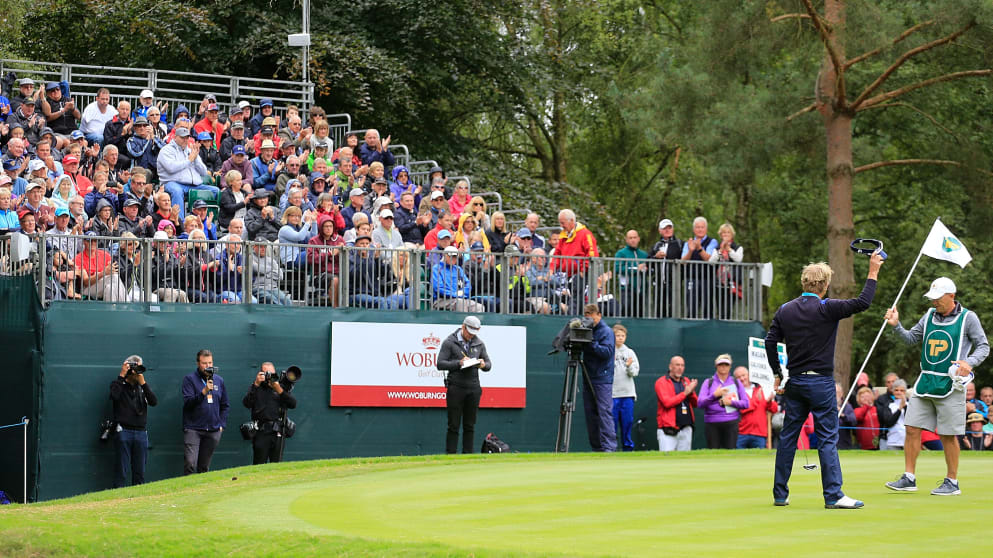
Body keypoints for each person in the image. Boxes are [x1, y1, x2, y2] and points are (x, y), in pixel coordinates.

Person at [766, 252, 883, 508]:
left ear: (804, 283)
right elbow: (863, 302)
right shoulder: (827, 307)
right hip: (820, 383)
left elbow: (770, 341)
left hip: (795, 382)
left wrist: (778, 373)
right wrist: (873, 270)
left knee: (788, 438)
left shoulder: (786, 310)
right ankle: (833, 495)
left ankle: (780, 494)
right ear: (825, 285)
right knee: (828, 438)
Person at [884, 276, 989, 495]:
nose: (934, 302)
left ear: (951, 296)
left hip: (951, 384)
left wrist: (969, 362)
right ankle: (909, 477)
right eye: (932, 298)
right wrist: (896, 326)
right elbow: (912, 338)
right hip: (926, 382)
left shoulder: (969, 318)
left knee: (948, 435)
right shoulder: (930, 315)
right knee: (912, 429)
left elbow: (983, 346)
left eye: (938, 298)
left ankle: (952, 482)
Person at [437, 316, 492, 454]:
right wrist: (459, 363)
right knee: (453, 425)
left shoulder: (479, 343)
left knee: (470, 425)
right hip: (456, 387)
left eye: (474, 333)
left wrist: (483, 365)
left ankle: (468, 455)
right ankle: (451, 455)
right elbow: (440, 364)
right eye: (469, 332)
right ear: (463, 327)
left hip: (474, 388)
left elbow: (488, 364)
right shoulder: (449, 342)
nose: (471, 336)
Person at [109, 355, 157, 487]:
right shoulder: (118, 384)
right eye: (134, 367)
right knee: (121, 469)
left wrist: (143, 383)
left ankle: (138, 499)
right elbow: (114, 396)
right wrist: (122, 375)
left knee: (139, 471)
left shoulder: (142, 387)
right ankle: (117, 498)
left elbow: (153, 401)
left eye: (139, 367)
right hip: (124, 431)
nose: (136, 371)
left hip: (141, 432)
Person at [181, 349, 229, 475]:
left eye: (210, 363)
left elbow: (225, 405)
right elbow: (188, 403)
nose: (208, 366)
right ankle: (188, 491)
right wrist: (204, 391)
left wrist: (221, 425)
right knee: (190, 463)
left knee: (204, 467)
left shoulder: (219, 380)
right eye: (204, 363)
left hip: (213, 430)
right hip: (193, 429)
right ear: (198, 363)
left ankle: (201, 492)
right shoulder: (189, 379)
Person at [243, 362, 298, 464]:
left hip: (278, 432)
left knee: (276, 465)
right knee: (259, 465)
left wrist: (279, 390)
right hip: (261, 432)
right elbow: (247, 403)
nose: (269, 377)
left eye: (271, 374)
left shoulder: (280, 387)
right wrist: (256, 384)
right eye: (266, 373)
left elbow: (293, 404)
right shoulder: (256, 388)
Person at [581, 304, 616, 452]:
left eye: (590, 314)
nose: (588, 316)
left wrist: (590, 343)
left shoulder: (606, 331)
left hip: (602, 378)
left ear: (598, 315)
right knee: (591, 414)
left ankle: (609, 447)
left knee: (604, 413)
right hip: (589, 376)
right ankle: (597, 447)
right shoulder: (587, 330)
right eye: (586, 314)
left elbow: (607, 352)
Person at [697, 354, 750, 449]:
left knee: (730, 453)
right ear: (716, 366)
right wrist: (714, 395)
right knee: (713, 453)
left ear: (730, 367)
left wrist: (731, 403)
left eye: (726, 365)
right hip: (712, 423)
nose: (723, 367)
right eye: (721, 364)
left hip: (731, 422)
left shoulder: (736, 382)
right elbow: (700, 403)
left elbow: (746, 403)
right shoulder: (708, 382)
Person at [655, 355, 698, 451]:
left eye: (682, 365)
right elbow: (667, 403)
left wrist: (691, 392)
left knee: (684, 461)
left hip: (686, 427)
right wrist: (685, 393)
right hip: (668, 429)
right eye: (677, 365)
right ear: (670, 367)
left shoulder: (685, 381)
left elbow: (696, 403)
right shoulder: (661, 382)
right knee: (667, 460)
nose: (680, 368)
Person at [680, 216, 718, 319]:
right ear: (693, 229)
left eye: (702, 227)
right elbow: (683, 261)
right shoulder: (688, 243)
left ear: (706, 229)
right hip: (691, 278)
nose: (700, 229)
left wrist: (699, 248)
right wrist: (691, 250)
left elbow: (709, 259)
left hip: (707, 279)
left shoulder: (712, 242)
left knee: (707, 307)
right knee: (691, 306)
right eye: (697, 227)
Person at [611, 324, 640, 451]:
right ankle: (611, 449)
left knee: (627, 423)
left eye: (623, 336)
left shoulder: (630, 352)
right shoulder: (609, 351)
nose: (620, 338)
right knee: (611, 425)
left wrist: (628, 366)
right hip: (612, 395)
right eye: (618, 335)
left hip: (627, 395)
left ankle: (628, 450)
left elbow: (635, 372)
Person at [736, 366, 779, 449]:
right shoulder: (736, 392)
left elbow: (774, 409)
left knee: (759, 459)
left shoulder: (761, 389)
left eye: (743, 375)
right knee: (739, 459)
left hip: (760, 433)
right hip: (742, 433)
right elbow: (741, 409)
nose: (742, 378)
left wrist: (769, 402)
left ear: (749, 375)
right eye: (738, 377)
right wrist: (756, 400)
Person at [614, 230, 648, 317]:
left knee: (640, 315)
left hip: (641, 290)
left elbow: (650, 269)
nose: (633, 240)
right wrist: (636, 269)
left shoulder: (644, 254)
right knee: (627, 313)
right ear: (626, 240)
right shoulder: (621, 253)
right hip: (627, 289)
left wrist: (647, 269)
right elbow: (618, 268)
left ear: (638, 239)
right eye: (630, 238)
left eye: (635, 237)